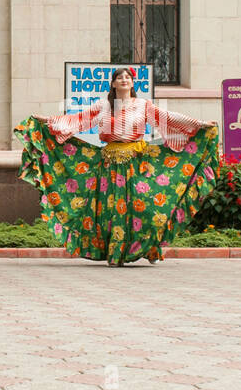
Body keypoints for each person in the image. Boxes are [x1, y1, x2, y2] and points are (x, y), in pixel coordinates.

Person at [14, 67, 219, 266]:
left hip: (137, 163)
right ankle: (114, 251)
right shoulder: (103, 107)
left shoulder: (142, 105)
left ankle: (149, 247)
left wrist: (200, 124)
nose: (124, 80)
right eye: (119, 77)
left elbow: (169, 118)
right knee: (110, 211)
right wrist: (48, 122)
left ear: (132, 82)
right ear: (113, 83)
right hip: (109, 165)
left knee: (145, 208)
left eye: (127, 77)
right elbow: (77, 120)